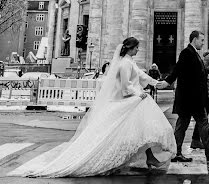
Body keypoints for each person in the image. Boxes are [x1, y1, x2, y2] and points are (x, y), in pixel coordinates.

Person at [12, 37, 175, 177]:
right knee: (129, 131)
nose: (139, 50)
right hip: (128, 101)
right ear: (131, 48)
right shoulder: (125, 64)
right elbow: (126, 87)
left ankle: (149, 156)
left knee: (141, 129)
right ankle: (125, 158)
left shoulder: (129, 62)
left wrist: (158, 83)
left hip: (134, 99)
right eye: (137, 47)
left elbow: (140, 75)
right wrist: (138, 94)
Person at [164, 30, 209, 163]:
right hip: (191, 98)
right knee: (197, 124)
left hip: (191, 98)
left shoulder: (194, 53)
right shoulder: (187, 53)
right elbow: (178, 69)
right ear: (194, 39)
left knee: (185, 126)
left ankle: (178, 152)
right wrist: (167, 81)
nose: (203, 43)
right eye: (202, 40)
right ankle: (208, 152)